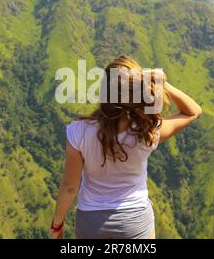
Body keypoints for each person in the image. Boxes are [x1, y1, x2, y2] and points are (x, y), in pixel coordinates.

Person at [50, 55, 202, 239]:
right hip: (135, 221)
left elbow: (69, 187)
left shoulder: (78, 132)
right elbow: (193, 111)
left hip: (91, 222)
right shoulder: (147, 133)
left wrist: (57, 226)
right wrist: (162, 83)